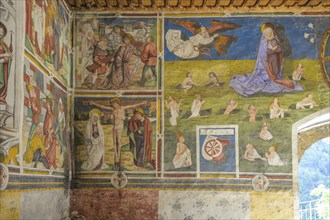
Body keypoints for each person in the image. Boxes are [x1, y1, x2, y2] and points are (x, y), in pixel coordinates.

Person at [229, 23, 303, 97]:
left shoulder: (274, 40)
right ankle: (270, 77)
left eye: (271, 33)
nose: (270, 34)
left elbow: (279, 49)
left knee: (274, 73)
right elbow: (264, 55)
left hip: (274, 61)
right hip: (267, 64)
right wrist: (272, 51)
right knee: (267, 77)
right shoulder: (264, 42)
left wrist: (276, 50)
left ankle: (273, 77)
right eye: (268, 33)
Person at [90, 98, 146, 170]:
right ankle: (116, 154)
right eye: (112, 105)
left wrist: (142, 103)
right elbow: (103, 107)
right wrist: (94, 103)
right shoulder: (113, 109)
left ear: (117, 103)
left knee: (118, 141)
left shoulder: (122, 108)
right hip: (114, 126)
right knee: (114, 141)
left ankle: (118, 155)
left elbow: (133, 105)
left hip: (120, 126)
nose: (114, 106)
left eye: (114, 104)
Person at [43, 96, 58, 170]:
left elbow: (52, 124)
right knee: (49, 146)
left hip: (51, 133)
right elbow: (46, 124)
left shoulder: (51, 113)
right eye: (47, 104)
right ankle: (49, 162)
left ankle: (52, 162)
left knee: (53, 143)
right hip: (48, 133)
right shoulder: (48, 113)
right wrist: (48, 133)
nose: (48, 106)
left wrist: (51, 132)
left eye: (49, 104)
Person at [0, 22, 12, 104]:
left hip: (3, 68)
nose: (1, 34)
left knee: (4, 83)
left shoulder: (3, 44)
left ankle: (1, 97)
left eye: (2, 33)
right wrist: (4, 55)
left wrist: (9, 57)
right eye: (0, 31)